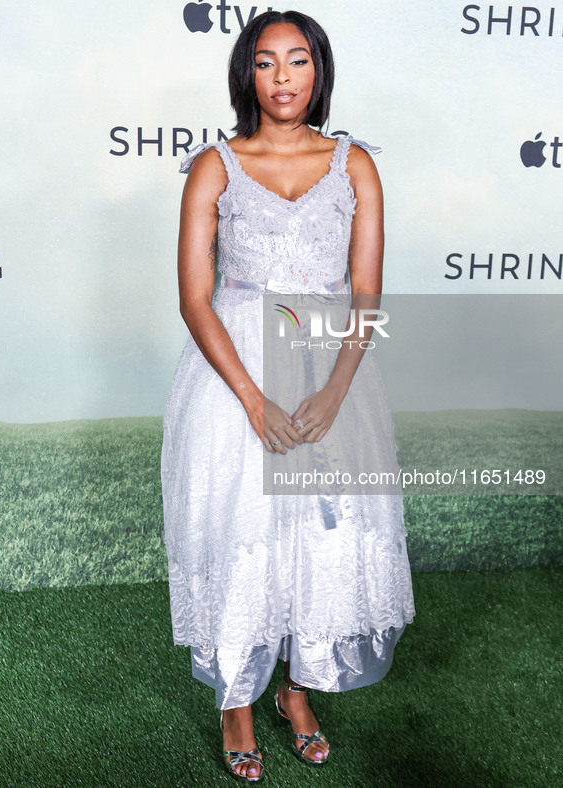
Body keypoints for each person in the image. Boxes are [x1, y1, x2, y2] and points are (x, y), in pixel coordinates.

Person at [161, 9, 415, 782]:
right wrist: (249, 398)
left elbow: (366, 289)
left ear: (318, 71)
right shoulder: (215, 166)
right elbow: (195, 299)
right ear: (245, 74)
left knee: (324, 537)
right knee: (240, 535)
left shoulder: (355, 166)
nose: (281, 78)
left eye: (297, 61)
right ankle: (236, 699)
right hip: (232, 373)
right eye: (265, 62)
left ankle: (296, 688)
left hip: (330, 371)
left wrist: (338, 391)